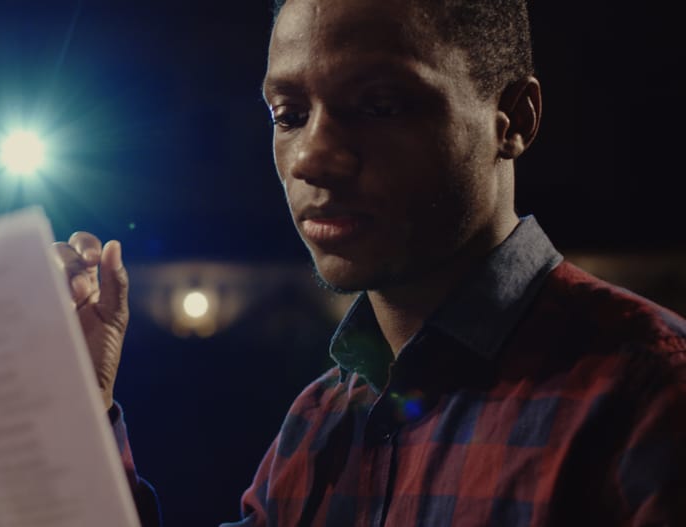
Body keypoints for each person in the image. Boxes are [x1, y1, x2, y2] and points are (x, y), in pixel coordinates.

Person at [53, 0, 686, 525]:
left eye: (381, 105)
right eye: (289, 115)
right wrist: (73, 404)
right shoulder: (316, 423)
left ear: (513, 119)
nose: (312, 157)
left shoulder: (649, 397)